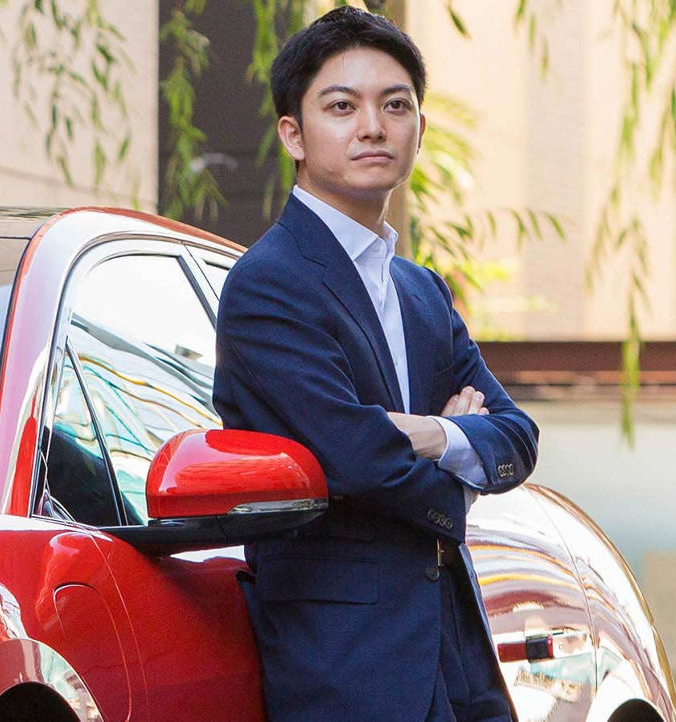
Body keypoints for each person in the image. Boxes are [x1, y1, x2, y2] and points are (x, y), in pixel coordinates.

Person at [212, 6, 539, 721]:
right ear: (292, 133)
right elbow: (352, 454)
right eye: (342, 106)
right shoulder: (271, 283)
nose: (373, 126)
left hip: (457, 658)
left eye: (396, 105)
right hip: (346, 664)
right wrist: (458, 476)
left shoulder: (421, 290)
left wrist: (430, 435)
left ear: (419, 126)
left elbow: (517, 435)